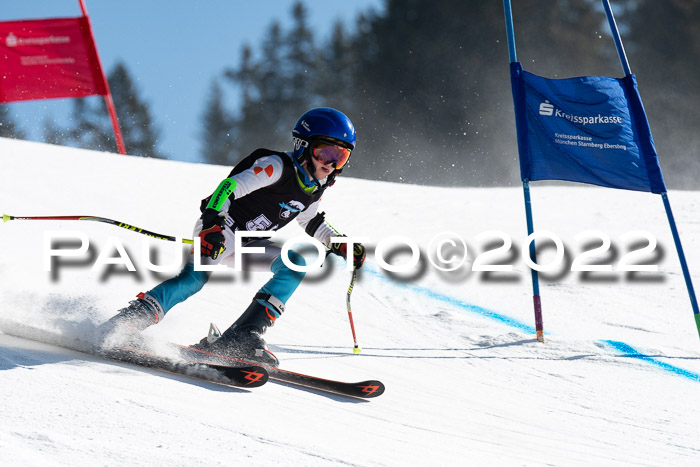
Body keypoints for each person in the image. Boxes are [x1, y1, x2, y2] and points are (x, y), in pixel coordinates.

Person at [99, 107, 366, 367]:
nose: (330, 164)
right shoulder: (276, 167)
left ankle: (242, 336)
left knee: (294, 263)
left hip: (249, 244)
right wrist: (212, 224)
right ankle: (131, 319)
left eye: (340, 157)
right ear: (302, 145)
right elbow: (229, 187)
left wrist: (338, 242)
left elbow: (311, 220)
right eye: (325, 152)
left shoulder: (313, 188)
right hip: (220, 230)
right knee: (194, 279)